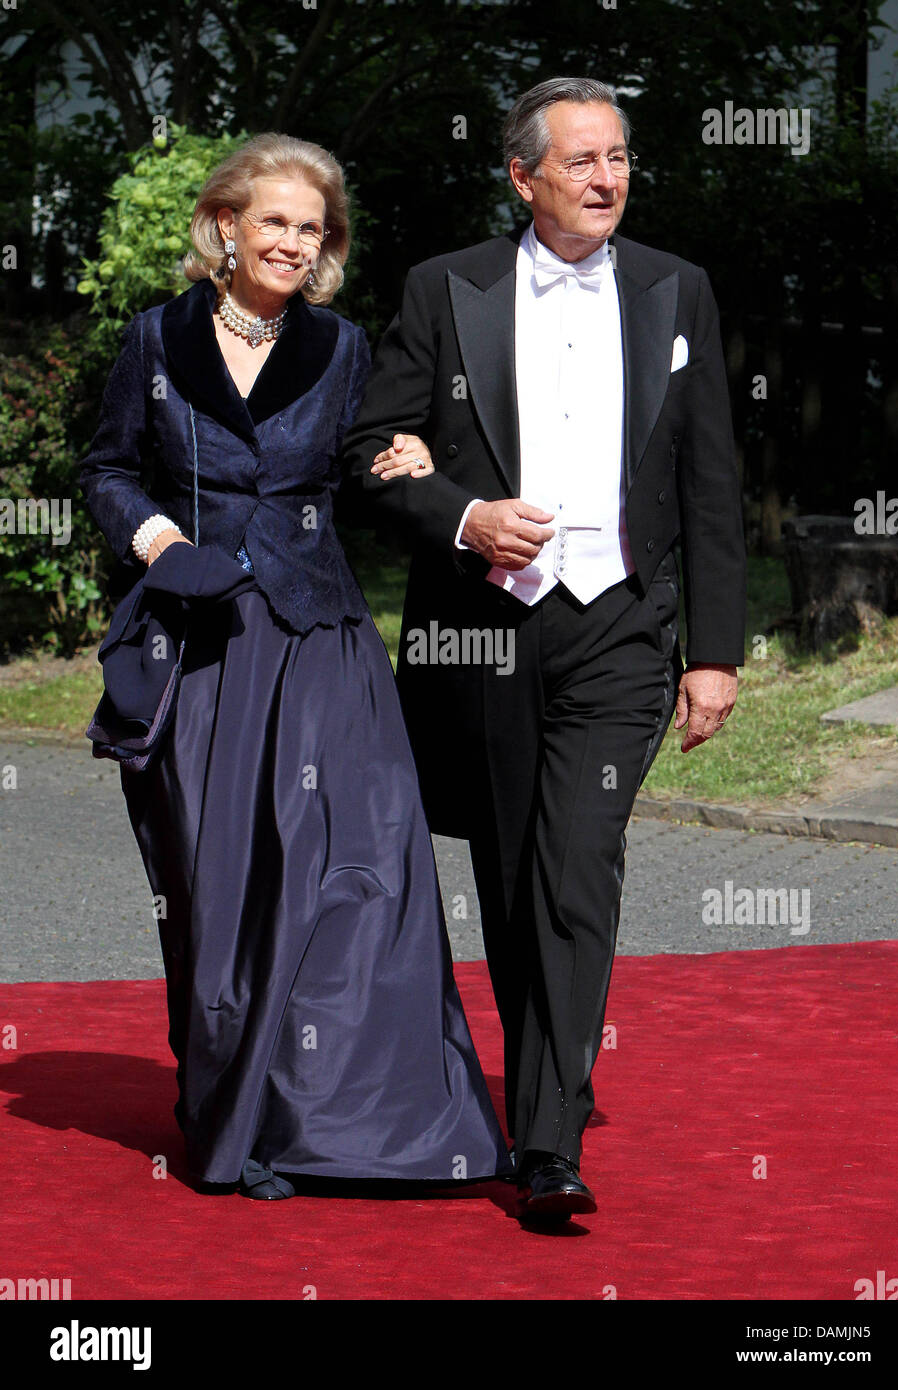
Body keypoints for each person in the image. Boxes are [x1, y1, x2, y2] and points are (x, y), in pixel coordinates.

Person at [341, 77, 747, 1221]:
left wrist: (715, 651)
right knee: (514, 875)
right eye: (583, 161)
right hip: (488, 629)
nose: (609, 178)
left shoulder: (680, 291)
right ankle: (539, 1099)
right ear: (523, 176)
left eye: (620, 157)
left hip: (622, 625)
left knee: (578, 864)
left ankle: (547, 1143)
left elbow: (712, 477)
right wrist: (465, 516)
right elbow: (372, 444)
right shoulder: (446, 288)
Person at [79, 133, 513, 1200]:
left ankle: (361, 1123)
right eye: (274, 220)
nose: (292, 242)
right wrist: (157, 545)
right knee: (218, 889)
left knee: (356, 873)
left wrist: (408, 459)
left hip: (322, 643)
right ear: (224, 225)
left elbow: (368, 459)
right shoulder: (153, 341)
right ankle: (237, 1111)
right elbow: (106, 469)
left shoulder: (345, 348)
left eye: (311, 229)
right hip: (198, 653)